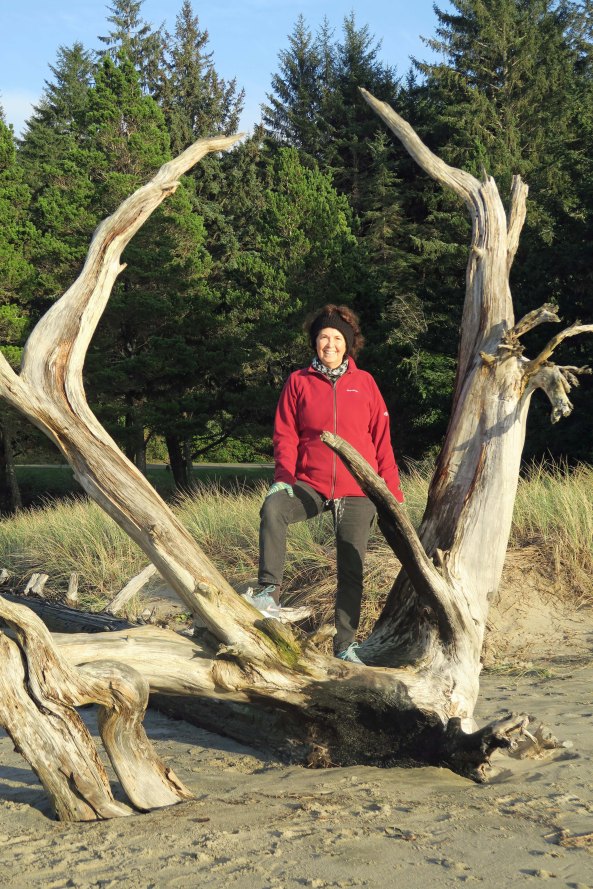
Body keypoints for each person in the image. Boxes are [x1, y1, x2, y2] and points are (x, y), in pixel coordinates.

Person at [245, 304, 404, 664]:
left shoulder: (365, 384)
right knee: (273, 509)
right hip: (310, 484)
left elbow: (382, 440)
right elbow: (285, 435)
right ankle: (269, 591)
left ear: (348, 345)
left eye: (336, 338)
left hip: (357, 487)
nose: (329, 344)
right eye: (323, 338)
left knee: (352, 565)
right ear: (314, 342)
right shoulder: (298, 382)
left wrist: (391, 494)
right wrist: (283, 479)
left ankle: (345, 646)